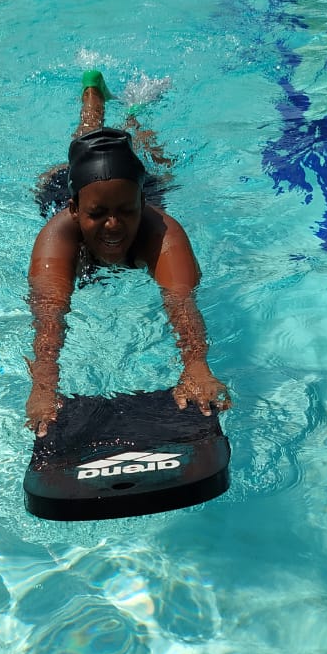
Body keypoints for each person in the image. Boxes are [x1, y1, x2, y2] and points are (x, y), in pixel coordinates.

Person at [26, 71, 230, 437]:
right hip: (71, 184)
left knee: (148, 152)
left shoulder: (161, 232)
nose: (113, 225)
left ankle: (137, 111)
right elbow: (49, 317)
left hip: (131, 181)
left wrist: (196, 365)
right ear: (75, 210)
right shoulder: (57, 239)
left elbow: (182, 303)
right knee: (83, 146)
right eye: (96, 215)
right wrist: (43, 388)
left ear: (141, 204)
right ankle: (92, 96)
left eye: (126, 212)